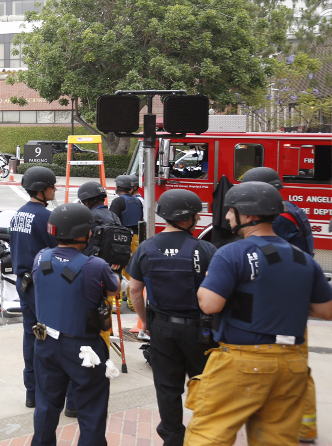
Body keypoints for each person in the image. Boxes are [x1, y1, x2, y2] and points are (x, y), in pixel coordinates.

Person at [186, 182, 332, 446]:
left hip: (243, 362)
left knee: (208, 437)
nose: (228, 216)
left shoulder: (232, 253)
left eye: (231, 211)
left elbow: (210, 305)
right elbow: (326, 311)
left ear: (248, 215)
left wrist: (207, 283)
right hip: (292, 364)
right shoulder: (303, 258)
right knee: (277, 440)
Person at [126, 190, 216, 446]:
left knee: (167, 388)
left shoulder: (146, 247)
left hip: (162, 328)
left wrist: (148, 323)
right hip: (201, 331)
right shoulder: (205, 248)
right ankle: (204, 436)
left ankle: (173, 438)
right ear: (191, 218)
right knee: (205, 386)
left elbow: (134, 290)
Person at [31, 203, 119, 446]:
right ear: (85, 233)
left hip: (46, 343)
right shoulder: (95, 265)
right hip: (84, 349)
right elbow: (114, 290)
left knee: (46, 407)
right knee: (91, 410)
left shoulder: (40, 258)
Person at [240, 166, 317, 442]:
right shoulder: (292, 209)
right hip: (295, 296)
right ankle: (306, 427)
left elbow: (269, 257)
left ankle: (297, 426)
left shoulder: (278, 218)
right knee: (298, 365)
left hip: (282, 302)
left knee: (289, 368)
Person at [10, 167, 58, 409]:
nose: (55, 189)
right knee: (50, 336)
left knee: (30, 335)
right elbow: (58, 251)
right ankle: (46, 390)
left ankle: (31, 391)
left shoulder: (18, 214)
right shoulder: (46, 217)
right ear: (41, 190)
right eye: (52, 186)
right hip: (41, 284)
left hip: (22, 280)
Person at [109, 175, 144, 311]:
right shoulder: (138, 201)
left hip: (121, 238)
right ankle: (132, 302)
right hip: (135, 237)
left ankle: (115, 302)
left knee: (116, 268)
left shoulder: (118, 201)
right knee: (131, 270)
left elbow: (112, 220)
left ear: (119, 187)